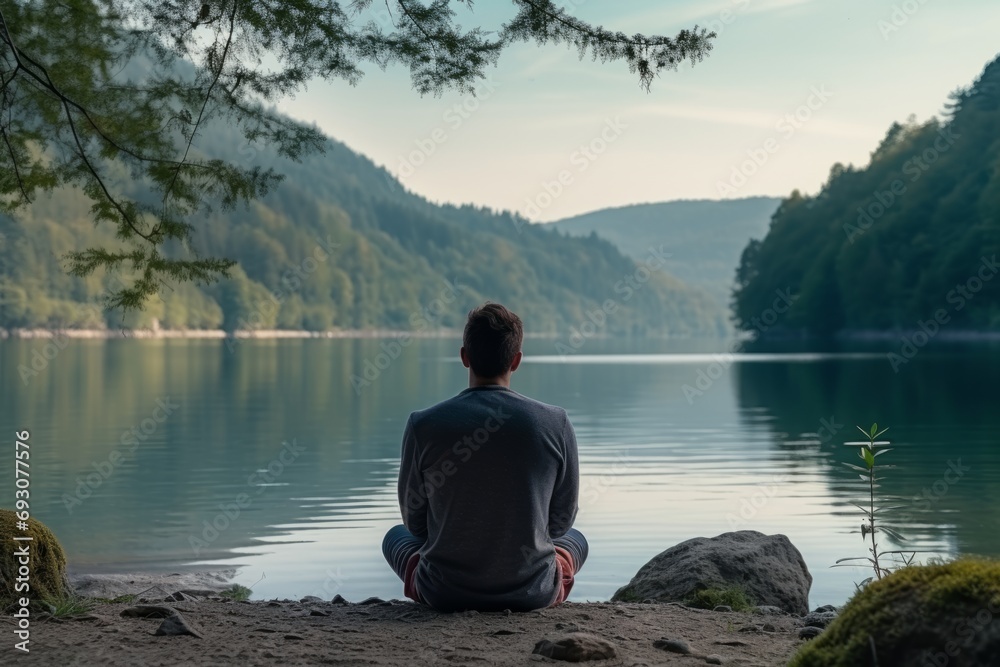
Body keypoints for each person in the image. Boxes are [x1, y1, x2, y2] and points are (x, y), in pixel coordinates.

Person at [381, 302, 588, 612]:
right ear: (516, 361)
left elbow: (415, 524)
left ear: (464, 356)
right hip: (532, 592)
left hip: (444, 593)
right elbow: (559, 524)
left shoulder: (422, 424)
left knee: (395, 536)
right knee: (575, 538)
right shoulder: (555, 422)